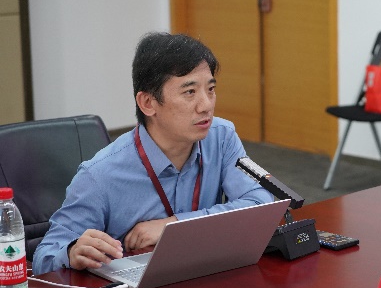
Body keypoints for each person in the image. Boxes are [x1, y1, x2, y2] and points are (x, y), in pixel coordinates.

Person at [33, 32, 274, 275]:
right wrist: (72, 252)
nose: (206, 105)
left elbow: (260, 202)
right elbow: (45, 256)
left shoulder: (221, 137)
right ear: (148, 103)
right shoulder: (98, 176)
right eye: (190, 92)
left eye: (210, 89)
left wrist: (174, 226)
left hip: (203, 276)